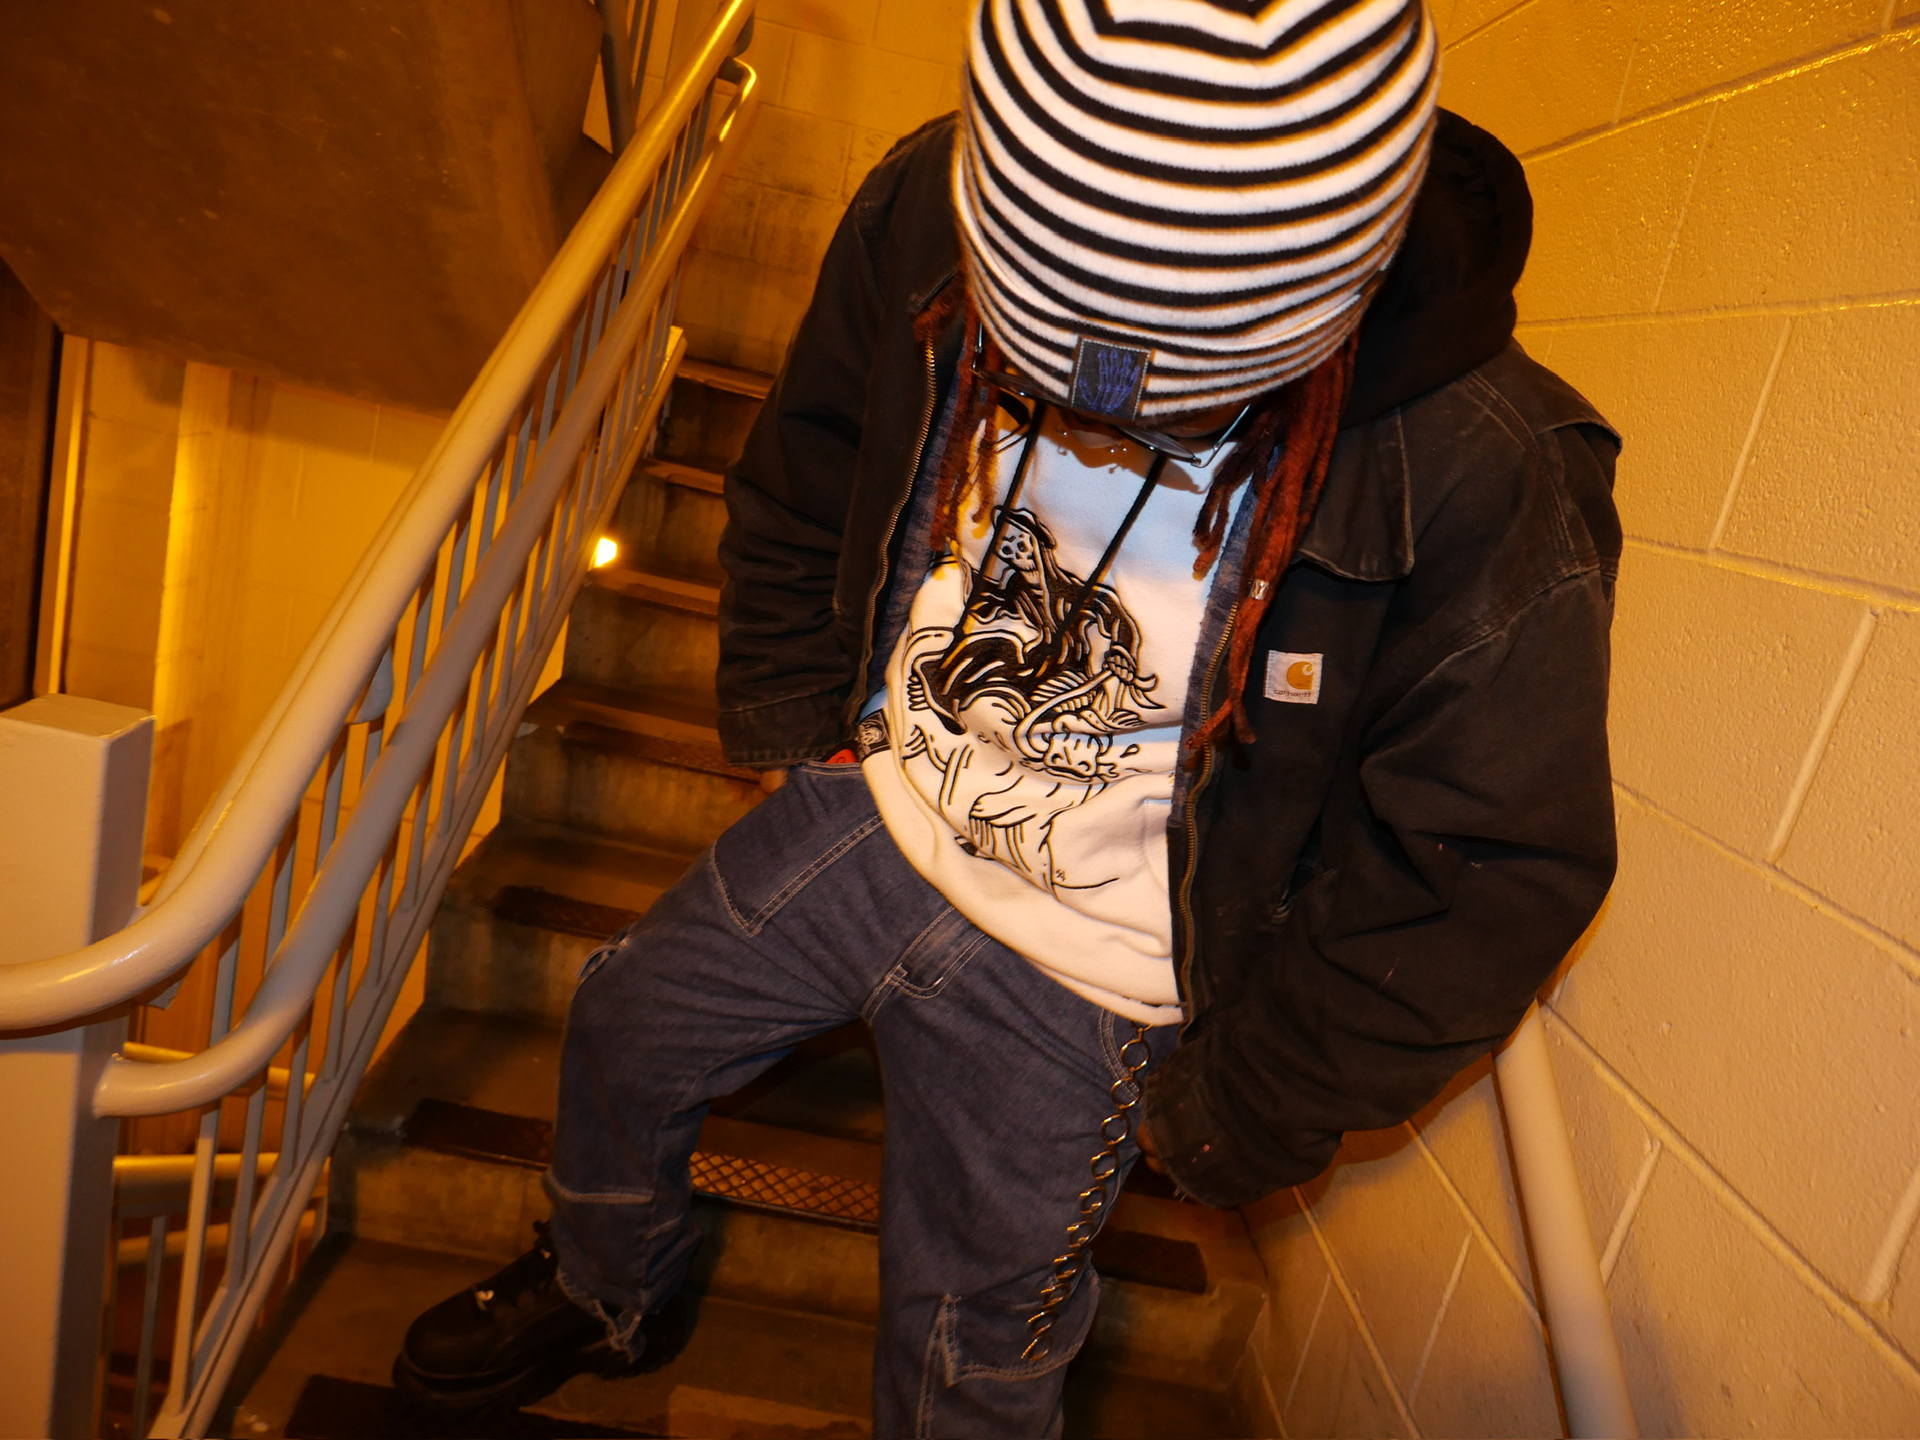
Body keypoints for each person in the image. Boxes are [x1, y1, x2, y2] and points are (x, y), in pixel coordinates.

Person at [393, 0, 1622, 1434]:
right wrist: (801, 729)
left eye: (1174, 406)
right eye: (1038, 360)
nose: (1094, 423)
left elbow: (1483, 868)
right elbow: (810, 460)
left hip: (1103, 975)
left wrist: (1237, 1104)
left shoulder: (1486, 465)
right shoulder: (926, 202)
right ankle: (606, 1282)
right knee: (627, 1017)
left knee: (965, 1364)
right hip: (885, 806)